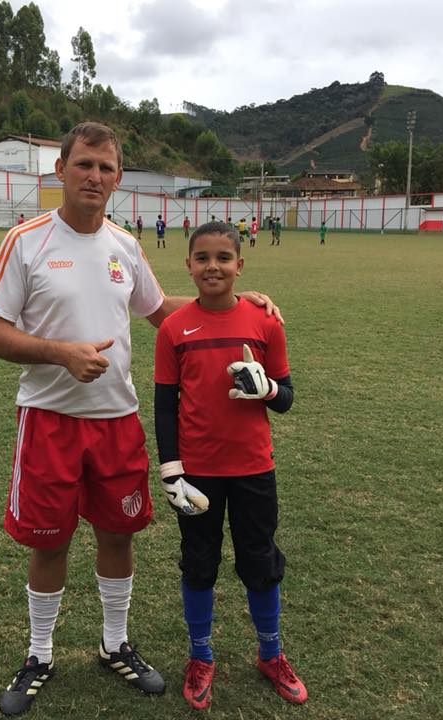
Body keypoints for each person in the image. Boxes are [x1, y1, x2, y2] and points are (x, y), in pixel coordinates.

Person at [0, 123, 283, 717]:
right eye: (84, 164)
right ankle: (39, 654)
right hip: (49, 419)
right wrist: (60, 353)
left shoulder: (123, 244)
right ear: (61, 168)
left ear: (118, 178)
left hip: (118, 419)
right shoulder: (25, 240)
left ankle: (114, 645)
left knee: (119, 535)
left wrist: (240, 305)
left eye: (106, 168)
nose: (94, 177)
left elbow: (161, 312)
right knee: (50, 542)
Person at [152, 221, 306, 710]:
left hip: (253, 470)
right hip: (196, 472)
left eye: (223, 257)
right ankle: (200, 656)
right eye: (203, 258)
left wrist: (267, 390)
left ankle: (271, 653)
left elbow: (285, 399)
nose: (213, 266)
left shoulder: (265, 323)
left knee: (260, 562)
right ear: (189, 266)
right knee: (199, 564)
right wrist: (171, 469)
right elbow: (162, 405)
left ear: (240, 265)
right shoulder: (174, 329)